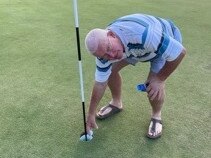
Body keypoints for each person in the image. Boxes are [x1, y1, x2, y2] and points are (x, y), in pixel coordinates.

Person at [84, 13, 186, 139]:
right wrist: (90, 113)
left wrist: (160, 79)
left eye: (109, 48)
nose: (111, 56)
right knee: (109, 71)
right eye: (105, 55)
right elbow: (100, 83)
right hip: (132, 49)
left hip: (160, 47)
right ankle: (116, 103)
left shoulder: (146, 34)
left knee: (152, 85)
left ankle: (156, 116)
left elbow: (180, 52)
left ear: (111, 35)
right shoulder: (103, 51)